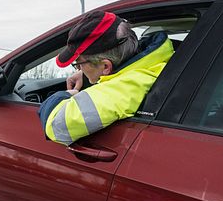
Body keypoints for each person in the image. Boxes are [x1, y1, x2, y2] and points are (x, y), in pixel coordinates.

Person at [38, 10, 174, 145]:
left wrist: (65, 95)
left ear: (105, 66)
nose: (78, 68)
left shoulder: (125, 88)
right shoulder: (156, 62)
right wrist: (87, 74)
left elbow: (57, 126)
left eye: (79, 64)